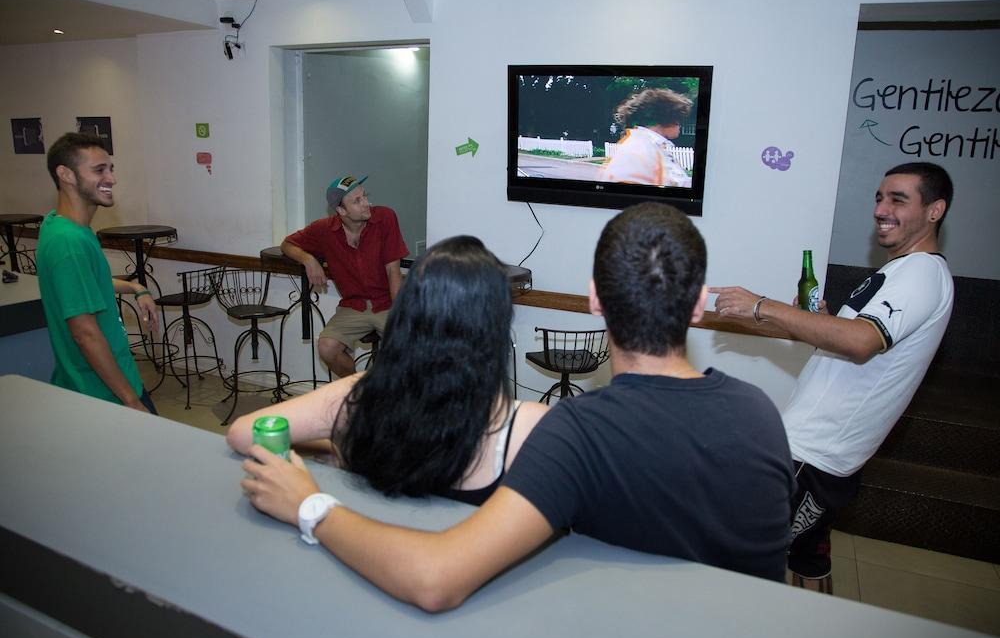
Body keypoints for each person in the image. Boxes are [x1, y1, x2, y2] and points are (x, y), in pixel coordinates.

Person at [238, 202, 794, 612]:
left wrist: (311, 507)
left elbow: (436, 578)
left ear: (595, 298)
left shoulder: (578, 433)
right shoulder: (762, 415)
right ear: (699, 306)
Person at [710, 162, 955, 594]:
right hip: (815, 451)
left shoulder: (923, 272)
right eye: (879, 198)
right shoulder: (896, 273)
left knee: (733, 562)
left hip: (814, 456)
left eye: (898, 199)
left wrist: (762, 304)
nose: (881, 209)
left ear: (935, 211)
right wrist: (799, 321)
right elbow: (843, 342)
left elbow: (861, 341)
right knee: (807, 557)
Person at [229, 236, 548, 504]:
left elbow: (243, 433)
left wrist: (334, 443)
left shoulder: (360, 393)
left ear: (407, 315)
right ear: (495, 326)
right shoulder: (527, 423)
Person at [36, 132, 159, 414]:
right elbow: (85, 334)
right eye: (99, 170)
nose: (111, 179)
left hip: (104, 384)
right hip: (103, 395)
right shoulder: (69, 243)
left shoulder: (61, 226)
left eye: (111, 169)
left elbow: (87, 283)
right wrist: (131, 401)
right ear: (65, 174)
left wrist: (136, 287)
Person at [281, 174, 408, 377]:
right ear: (341, 211)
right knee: (326, 347)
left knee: (412, 347)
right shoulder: (323, 229)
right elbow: (287, 244)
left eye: (364, 196)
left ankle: (403, 404)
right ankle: (356, 393)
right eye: (357, 201)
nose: (366, 203)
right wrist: (308, 259)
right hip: (353, 306)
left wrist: (401, 314)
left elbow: (393, 271)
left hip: (388, 303)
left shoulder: (385, 217)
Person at [601, 88, 693, 188]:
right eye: (678, 118)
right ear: (666, 118)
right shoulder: (638, 151)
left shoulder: (649, 146)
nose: (680, 125)